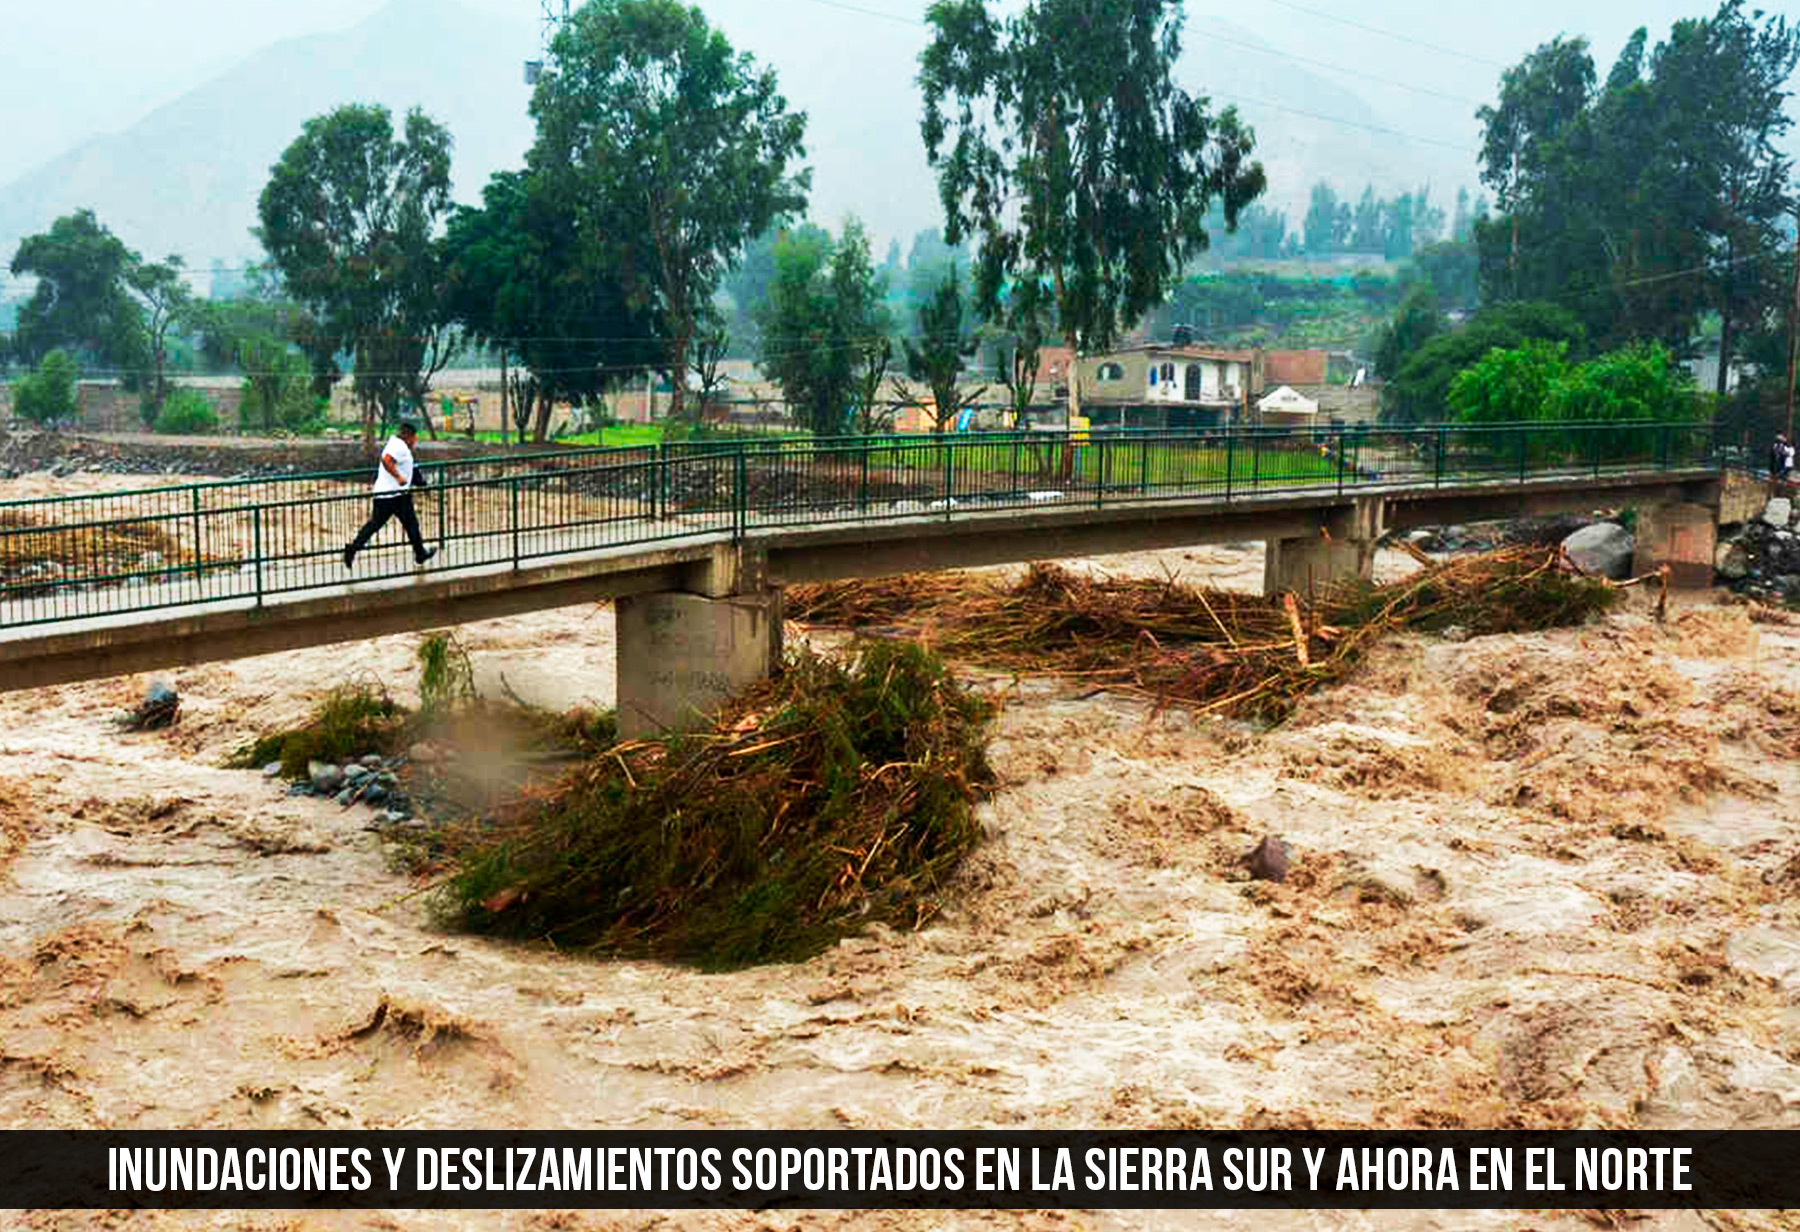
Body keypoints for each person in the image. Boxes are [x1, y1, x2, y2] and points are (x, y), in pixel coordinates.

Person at [343, 418, 437, 570]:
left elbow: (411, 469)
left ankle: (352, 549)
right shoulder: (399, 446)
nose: (415, 442)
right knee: (407, 524)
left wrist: (421, 483)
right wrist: (399, 477)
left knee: (382, 524)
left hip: (390, 495)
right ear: (409, 436)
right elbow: (386, 461)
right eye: (415, 438)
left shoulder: (397, 445)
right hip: (394, 495)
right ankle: (420, 553)